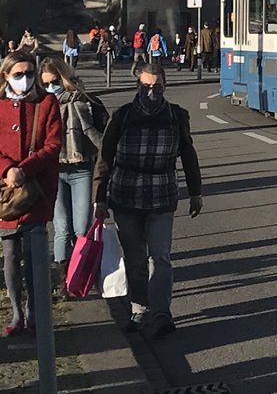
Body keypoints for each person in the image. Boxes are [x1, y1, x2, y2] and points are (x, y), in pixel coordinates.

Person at [93, 64, 203, 337]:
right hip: (126, 196)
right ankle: (140, 309)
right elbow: (104, 158)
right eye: (146, 87)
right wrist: (99, 198)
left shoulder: (177, 116)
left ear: (165, 87)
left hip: (161, 196)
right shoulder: (123, 116)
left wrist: (195, 191)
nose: (151, 93)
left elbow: (188, 154)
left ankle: (161, 315)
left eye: (157, 87)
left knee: (160, 257)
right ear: (137, 86)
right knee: (135, 259)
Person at [0, 51, 64, 336]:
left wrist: (23, 169)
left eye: (28, 74)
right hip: (6, 194)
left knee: (34, 253)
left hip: (35, 190)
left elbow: (52, 146)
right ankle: (16, 312)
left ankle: (34, 310)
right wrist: (6, 170)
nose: (24, 79)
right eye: (18, 75)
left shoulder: (47, 102)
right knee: (10, 254)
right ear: (6, 76)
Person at [41, 58, 104, 294]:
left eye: (54, 82)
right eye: (45, 84)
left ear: (64, 79)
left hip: (79, 169)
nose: (50, 88)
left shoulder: (79, 102)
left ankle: (78, 275)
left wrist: (108, 154)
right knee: (61, 227)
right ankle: (63, 282)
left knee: (80, 228)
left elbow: (92, 136)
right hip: (54, 171)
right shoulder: (42, 106)